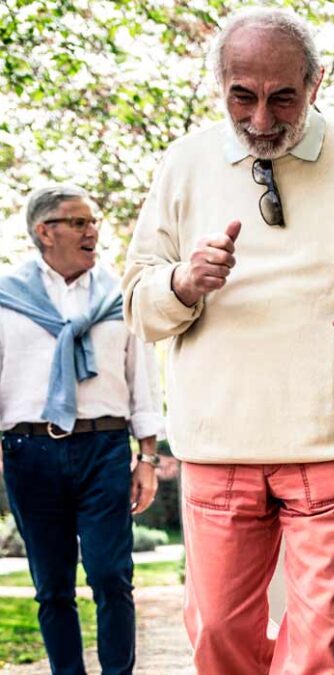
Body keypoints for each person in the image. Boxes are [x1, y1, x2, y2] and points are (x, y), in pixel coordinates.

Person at [121, 8, 334, 674]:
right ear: (219, 86)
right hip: (219, 446)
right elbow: (138, 303)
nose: (263, 119)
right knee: (219, 637)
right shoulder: (183, 164)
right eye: (242, 97)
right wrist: (185, 283)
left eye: (284, 97)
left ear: (317, 82)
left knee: (326, 653)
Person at [0, 185, 163, 675]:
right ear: (44, 232)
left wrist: (148, 458)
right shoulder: (7, 299)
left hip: (104, 447)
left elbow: (143, 378)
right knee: (52, 586)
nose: (93, 231)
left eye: (92, 222)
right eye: (78, 222)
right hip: (29, 450)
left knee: (112, 575)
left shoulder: (120, 296)